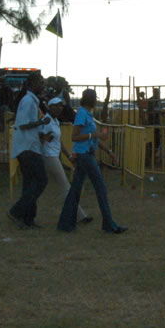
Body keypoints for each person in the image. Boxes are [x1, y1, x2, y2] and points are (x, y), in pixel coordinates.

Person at [57, 89, 127, 234]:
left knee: (75, 190)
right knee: (100, 189)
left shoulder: (88, 114)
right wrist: (94, 134)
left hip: (85, 155)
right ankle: (109, 224)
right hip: (84, 156)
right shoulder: (82, 113)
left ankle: (65, 223)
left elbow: (94, 138)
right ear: (91, 99)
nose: (96, 100)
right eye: (95, 98)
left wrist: (108, 151)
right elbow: (75, 137)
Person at [8, 71, 51, 229]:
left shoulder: (32, 101)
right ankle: (17, 211)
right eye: (41, 82)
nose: (43, 85)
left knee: (29, 184)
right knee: (41, 180)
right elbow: (24, 124)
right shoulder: (28, 101)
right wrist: (41, 122)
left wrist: (41, 135)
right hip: (27, 148)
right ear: (33, 84)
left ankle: (28, 219)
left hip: (29, 146)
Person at [41, 97, 93, 225]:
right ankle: (80, 216)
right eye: (56, 106)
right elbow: (40, 137)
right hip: (49, 157)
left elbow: (59, 142)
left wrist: (68, 155)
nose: (59, 108)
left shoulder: (55, 121)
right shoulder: (46, 121)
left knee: (39, 186)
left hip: (53, 155)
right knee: (65, 186)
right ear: (49, 107)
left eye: (61, 106)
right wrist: (44, 139)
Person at [147, 87, 164, 154]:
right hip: (152, 121)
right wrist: (158, 112)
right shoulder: (151, 100)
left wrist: (161, 112)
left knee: (157, 138)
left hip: (157, 121)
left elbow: (159, 109)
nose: (158, 94)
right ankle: (152, 153)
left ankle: (154, 152)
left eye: (158, 92)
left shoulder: (158, 100)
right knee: (152, 138)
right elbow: (150, 111)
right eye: (157, 92)